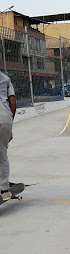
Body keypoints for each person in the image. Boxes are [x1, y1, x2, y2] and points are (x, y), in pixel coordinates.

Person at [0, 71, 16, 201]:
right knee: (2, 155)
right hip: (5, 118)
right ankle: (4, 190)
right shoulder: (5, 78)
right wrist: (9, 125)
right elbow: (13, 103)